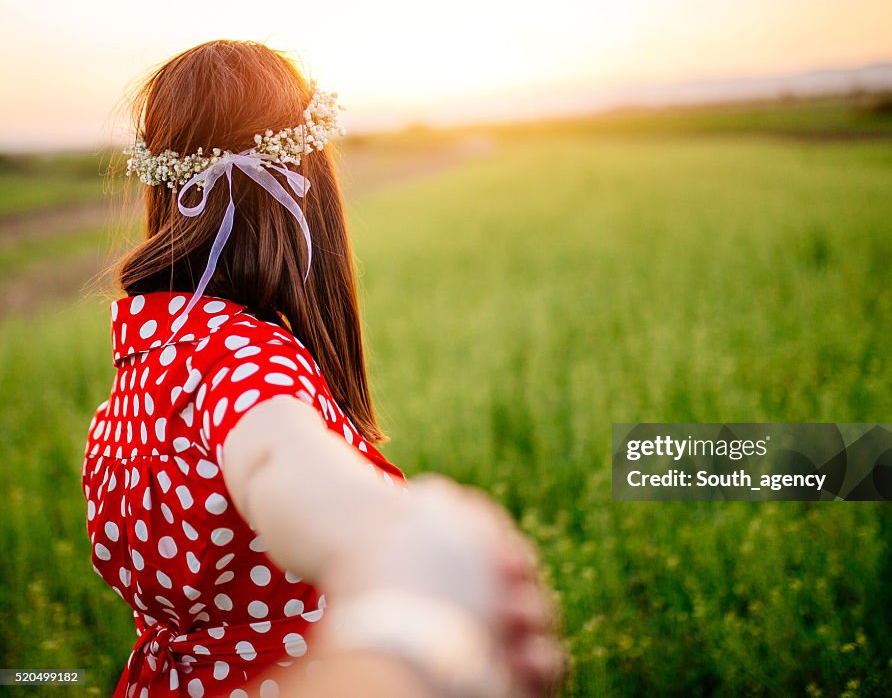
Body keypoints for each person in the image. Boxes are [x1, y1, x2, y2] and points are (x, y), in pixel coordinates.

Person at [82, 39, 562, 697]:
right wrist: (395, 546)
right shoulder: (243, 359)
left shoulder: (146, 361)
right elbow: (279, 457)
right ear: (306, 184)